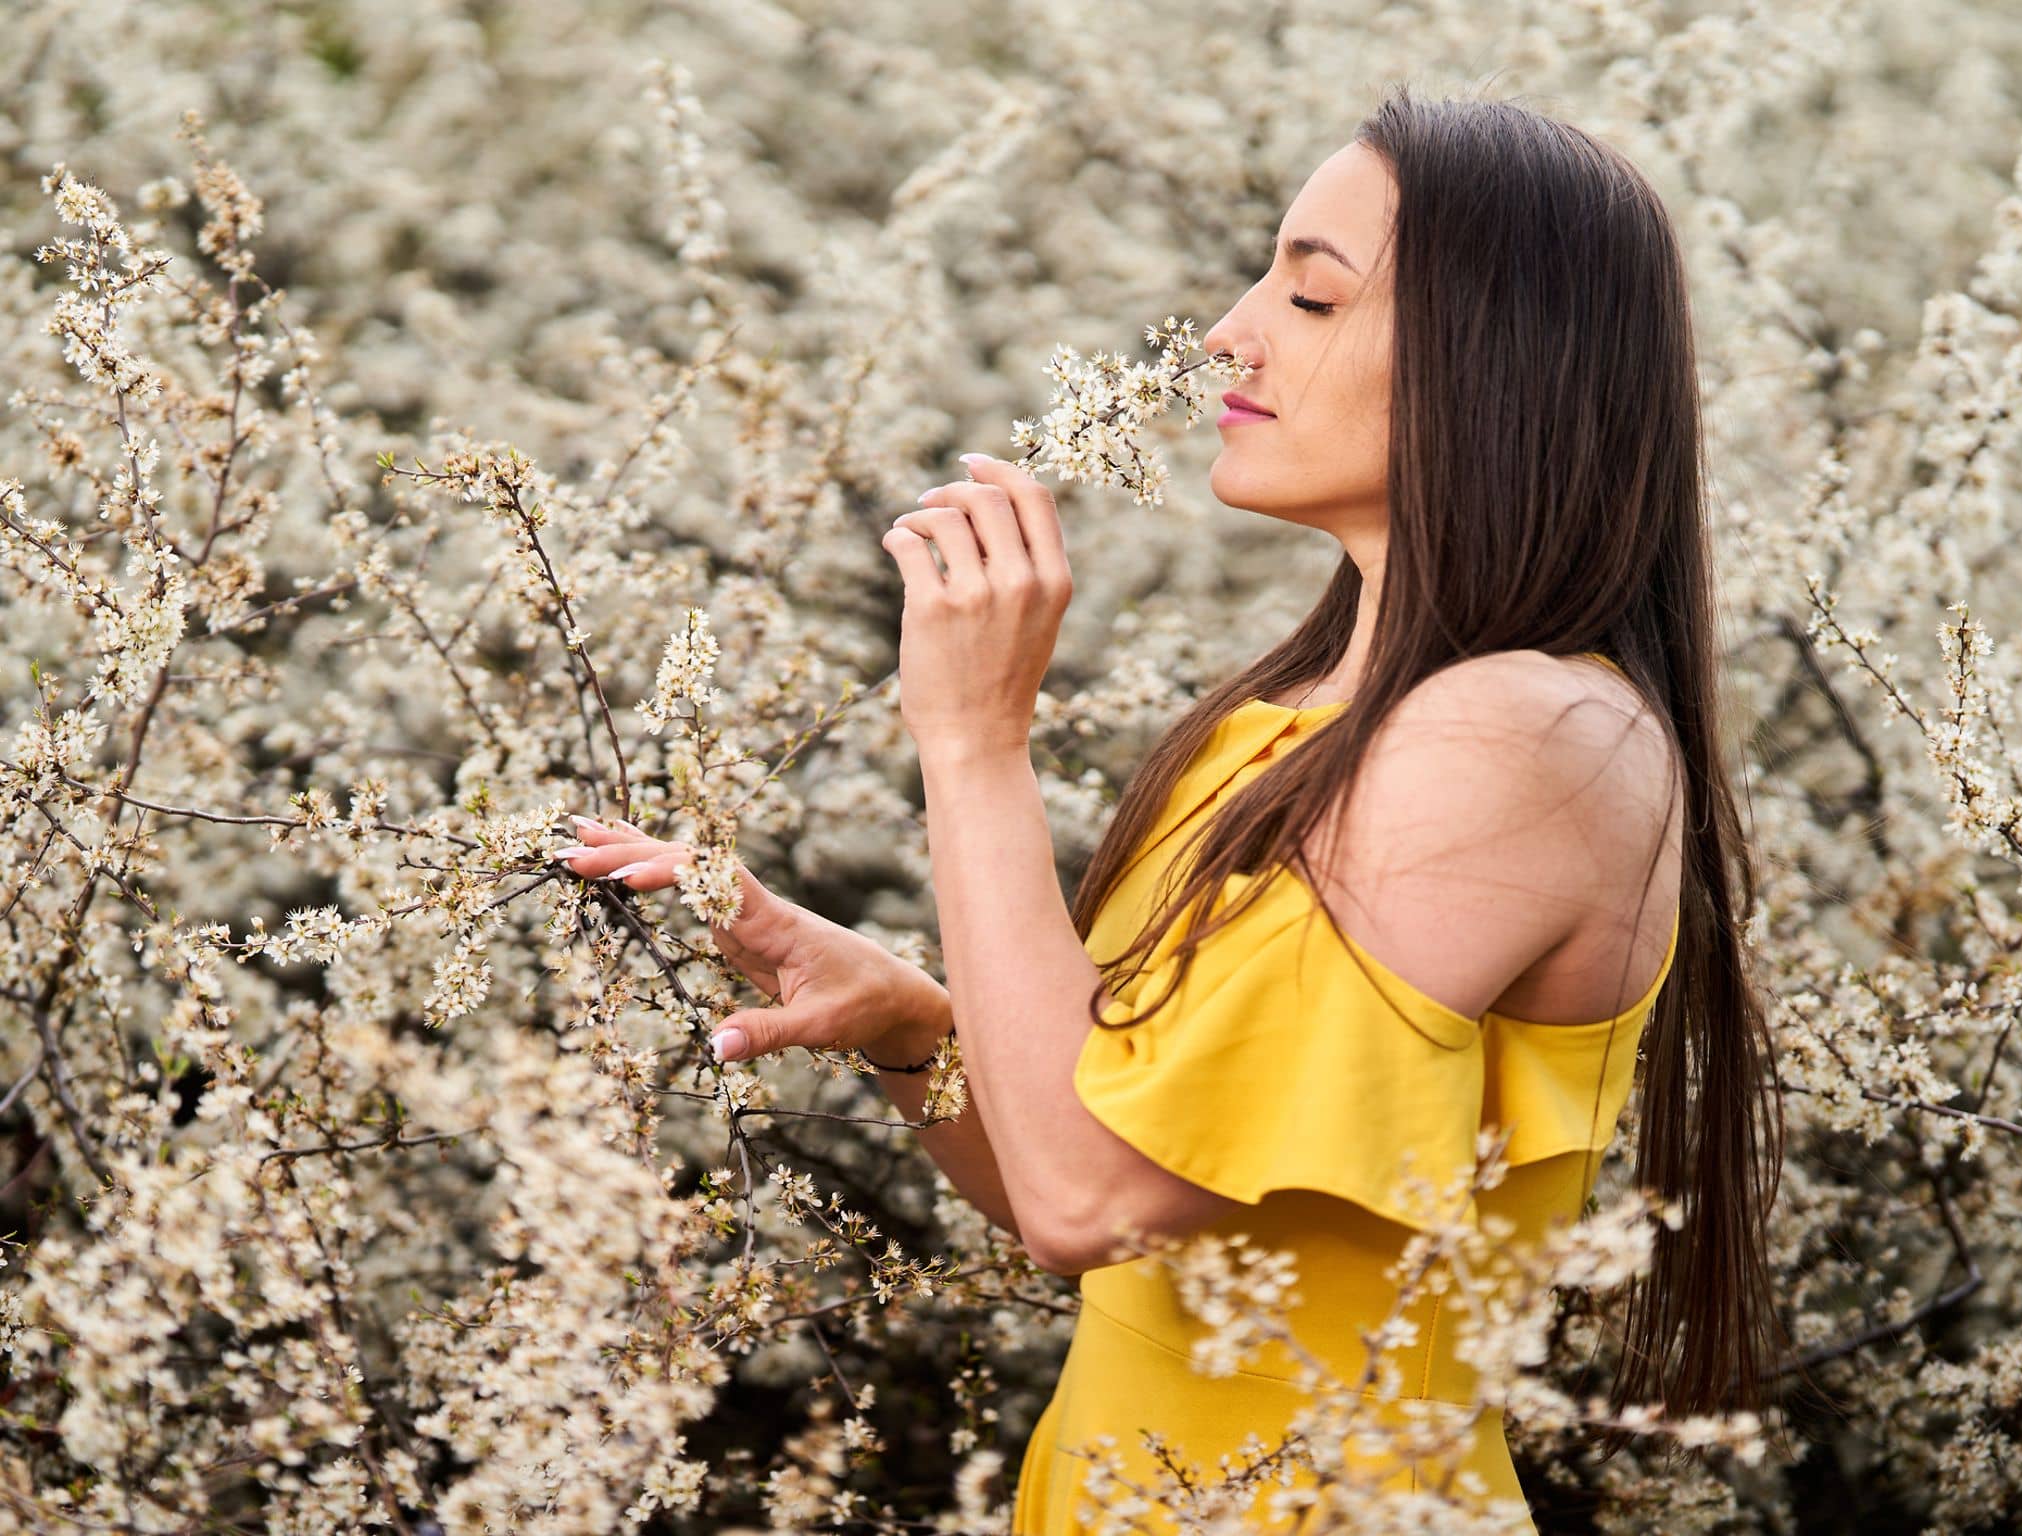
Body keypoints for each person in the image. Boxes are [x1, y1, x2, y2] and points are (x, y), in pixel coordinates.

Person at [557, 83, 1803, 1536]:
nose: (1228, 330)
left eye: (1312, 294)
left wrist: (971, 743)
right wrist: (912, 1028)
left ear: (1495, 362)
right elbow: (1095, 1209)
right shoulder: (1304, 717)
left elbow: (1089, 1193)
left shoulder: (1529, 733)